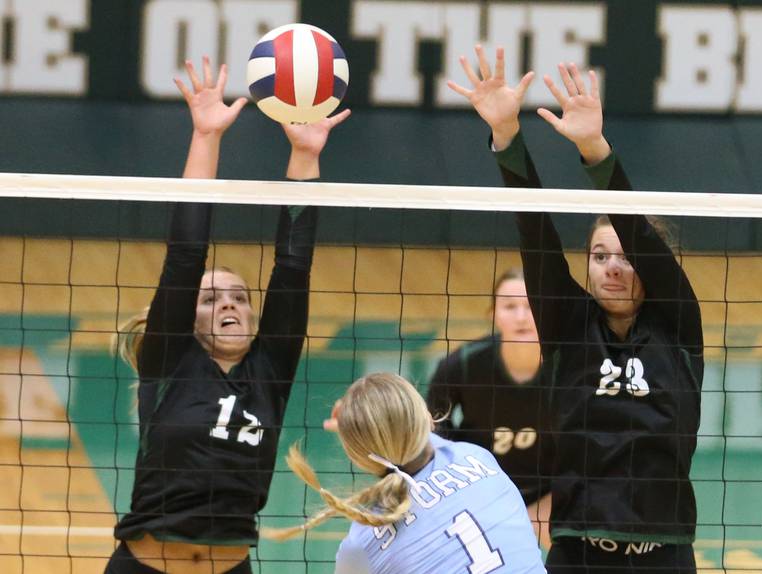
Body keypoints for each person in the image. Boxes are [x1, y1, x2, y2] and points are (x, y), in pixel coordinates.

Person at [448, 46, 703, 573]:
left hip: (665, 558)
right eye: (599, 255)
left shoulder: (678, 325)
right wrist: (506, 138)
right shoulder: (568, 325)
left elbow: (636, 232)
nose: (613, 266)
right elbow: (535, 235)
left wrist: (593, 147)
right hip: (576, 556)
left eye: (626, 257)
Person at [106, 57, 350, 574]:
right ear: (187, 320)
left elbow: (292, 266)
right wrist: (205, 137)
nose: (230, 304)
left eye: (239, 297)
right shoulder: (169, 359)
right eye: (212, 299)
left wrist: (305, 155)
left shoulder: (271, 368)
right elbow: (185, 251)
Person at [267, 372, 547, 574]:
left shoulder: (360, 544)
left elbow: (398, 444)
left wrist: (362, 430)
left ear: (356, 456)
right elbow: (411, 439)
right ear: (426, 417)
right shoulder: (476, 456)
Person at [425, 267, 552, 550]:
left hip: (548, 494)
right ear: (492, 312)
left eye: (531, 306)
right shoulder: (464, 365)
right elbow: (434, 432)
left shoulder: (569, 368)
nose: (521, 317)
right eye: (509, 306)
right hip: (481, 490)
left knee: (572, 546)